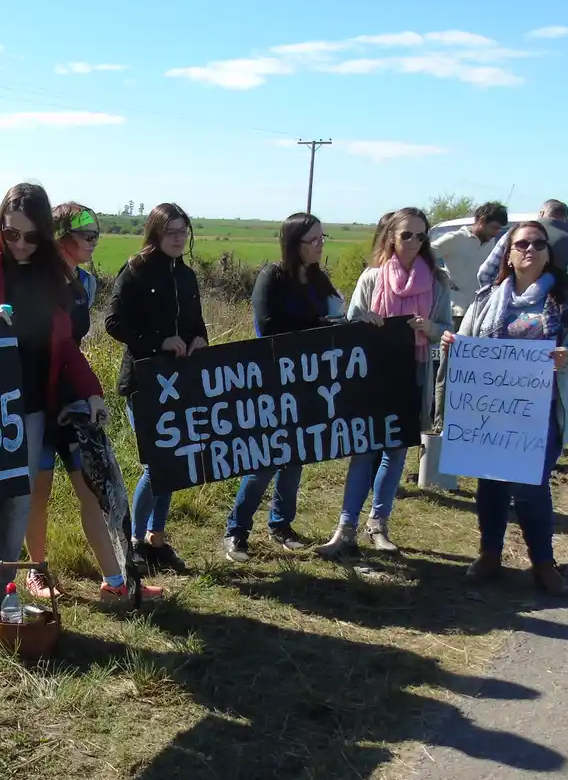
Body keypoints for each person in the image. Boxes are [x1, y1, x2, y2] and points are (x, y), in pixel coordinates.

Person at [0, 183, 105, 629]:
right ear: (0, 226)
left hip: (31, 404)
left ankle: (5, 595)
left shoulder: (53, 274)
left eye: (32, 236)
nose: (21, 244)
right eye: (12, 234)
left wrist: (92, 391)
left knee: (19, 501)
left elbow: (65, 346)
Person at [448, 220, 568, 597]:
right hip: (491, 414)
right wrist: (455, 344)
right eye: (521, 244)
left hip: (543, 411)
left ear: (548, 254)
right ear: (509, 254)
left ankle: (543, 563)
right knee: (491, 483)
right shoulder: (486, 300)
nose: (529, 250)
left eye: (538, 244)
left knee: (531, 486)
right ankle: (489, 554)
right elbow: (466, 340)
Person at [22, 202, 162, 602]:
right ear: (61, 236)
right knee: (39, 493)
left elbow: (72, 348)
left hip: (72, 397)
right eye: (87, 235)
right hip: (36, 400)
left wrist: (88, 393)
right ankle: (36, 572)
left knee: (94, 491)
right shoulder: (37, 280)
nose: (94, 242)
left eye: (97, 234)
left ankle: (115, 583)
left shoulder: (86, 284)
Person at [317, 207, 451, 559]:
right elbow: (351, 322)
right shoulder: (371, 278)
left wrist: (430, 328)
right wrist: (367, 322)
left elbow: (446, 327)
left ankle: (379, 524)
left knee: (395, 453)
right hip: (372, 376)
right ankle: (345, 528)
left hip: (414, 374)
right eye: (407, 234)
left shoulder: (437, 282)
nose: (413, 242)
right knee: (364, 452)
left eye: (421, 236)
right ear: (391, 236)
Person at [223, 212, 344, 562]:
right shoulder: (271, 277)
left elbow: (334, 319)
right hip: (273, 381)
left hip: (309, 380)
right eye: (313, 240)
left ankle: (281, 524)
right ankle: (236, 531)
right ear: (294, 244)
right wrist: (317, 325)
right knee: (266, 459)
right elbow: (267, 327)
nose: (320, 246)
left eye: (323, 238)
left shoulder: (320, 279)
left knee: (296, 456)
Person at [103, 203, 208, 575]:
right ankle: (132, 542)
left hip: (181, 383)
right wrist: (159, 342)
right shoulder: (135, 271)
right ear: (155, 233)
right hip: (144, 382)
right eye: (171, 232)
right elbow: (113, 323)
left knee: (175, 460)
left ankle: (156, 540)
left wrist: (199, 340)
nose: (179, 239)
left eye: (184, 232)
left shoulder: (188, 276)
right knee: (158, 462)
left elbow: (198, 324)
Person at [477, 199, 568, 291]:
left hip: (507, 306)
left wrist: (494, 298)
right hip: (551, 310)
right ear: (565, 219)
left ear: (542, 213)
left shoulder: (516, 233)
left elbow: (485, 273)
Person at [432, 201, 508, 316]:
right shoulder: (455, 239)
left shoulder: (490, 242)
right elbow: (423, 255)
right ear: (482, 221)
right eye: (494, 228)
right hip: (456, 310)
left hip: (480, 309)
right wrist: (440, 275)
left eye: (499, 229)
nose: (496, 233)